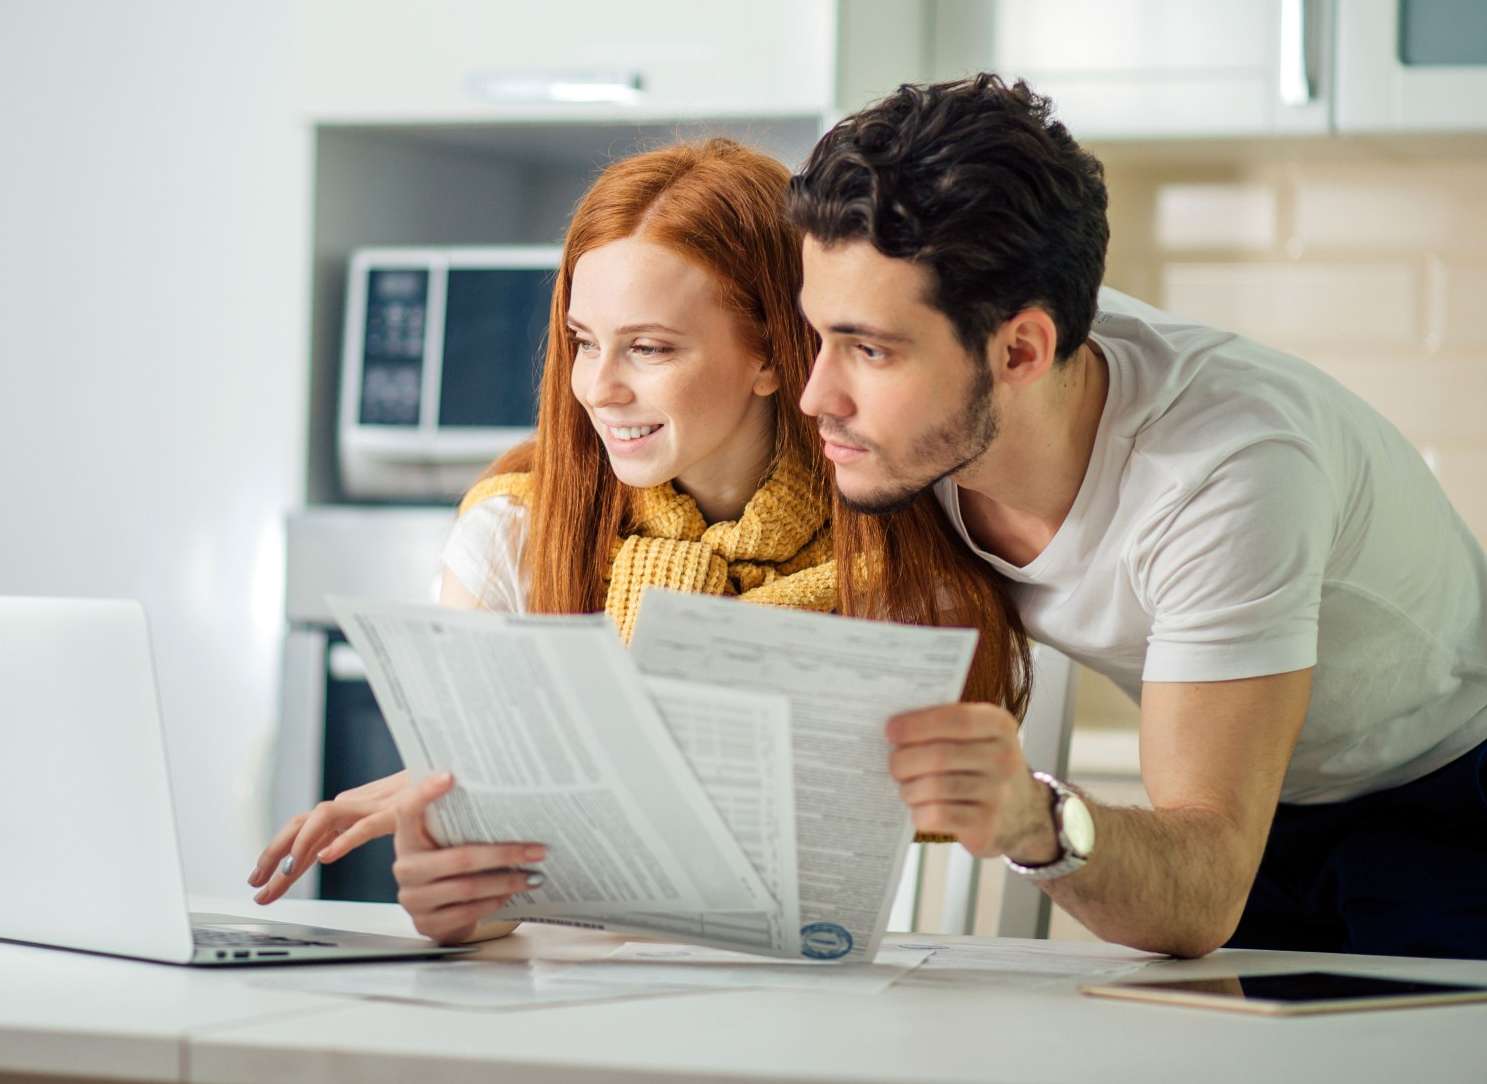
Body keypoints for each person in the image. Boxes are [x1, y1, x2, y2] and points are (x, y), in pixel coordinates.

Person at [248, 139, 1031, 942]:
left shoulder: (898, 562)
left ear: (770, 352)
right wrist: (461, 904)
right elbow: (493, 876)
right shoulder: (513, 533)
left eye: (648, 347)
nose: (597, 386)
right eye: (583, 341)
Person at [788, 74, 1487, 959]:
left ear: (1020, 350)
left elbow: (1197, 892)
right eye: (822, 336)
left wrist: (1032, 819)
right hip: (1248, 815)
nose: (818, 394)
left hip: (1444, 795)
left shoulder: (1225, 470)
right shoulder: (923, 405)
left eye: (868, 351)